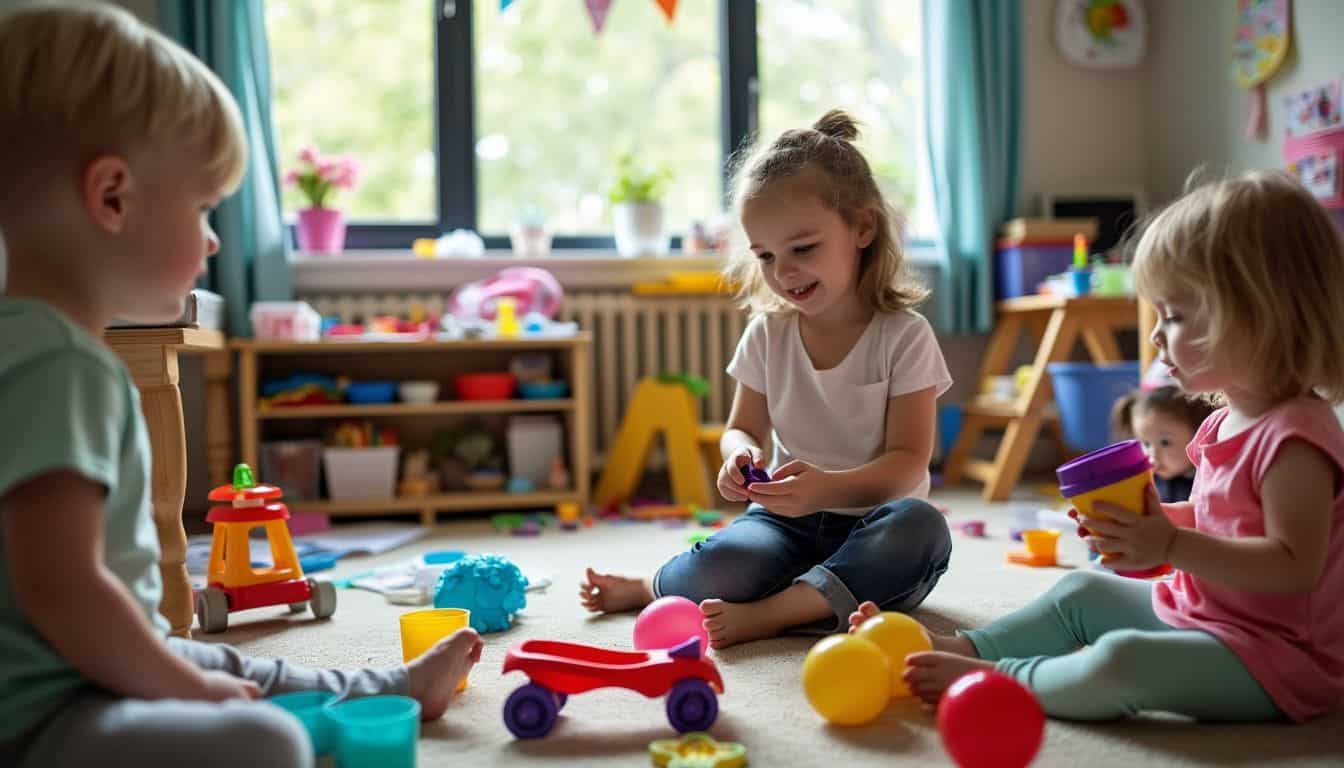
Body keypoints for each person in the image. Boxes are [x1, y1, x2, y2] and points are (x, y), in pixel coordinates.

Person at [0, 6, 480, 766]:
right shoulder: (66, 365)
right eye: (202, 209)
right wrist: (177, 689)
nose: (215, 239)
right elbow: (61, 589)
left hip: (92, 665)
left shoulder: (26, 344)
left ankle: (388, 684)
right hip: (46, 714)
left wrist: (175, 671)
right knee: (263, 737)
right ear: (113, 197)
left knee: (224, 663)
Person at [852, 170, 1344, 723]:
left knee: (1123, 662)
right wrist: (1152, 523)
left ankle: (999, 680)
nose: (1156, 335)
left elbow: (1293, 567)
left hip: (1279, 659)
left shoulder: (1296, 437)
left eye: (1175, 315)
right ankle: (971, 649)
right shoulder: (1222, 421)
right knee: (1081, 593)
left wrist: (1169, 548)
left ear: (1261, 314)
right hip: (1205, 613)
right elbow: (1221, 520)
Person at [581, 109, 953, 649]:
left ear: (863, 229)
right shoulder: (767, 334)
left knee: (920, 530)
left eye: (803, 249)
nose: (784, 273)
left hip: (875, 522)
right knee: (725, 558)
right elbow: (741, 428)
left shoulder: (904, 336)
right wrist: (739, 455)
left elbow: (907, 465)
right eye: (766, 256)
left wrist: (828, 488)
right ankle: (651, 586)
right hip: (785, 524)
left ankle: (777, 612)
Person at [1111, 385, 1215, 503]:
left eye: (1165, 442)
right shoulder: (1147, 482)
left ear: (1199, 434)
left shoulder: (1209, 483)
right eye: (1146, 443)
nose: (1152, 456)